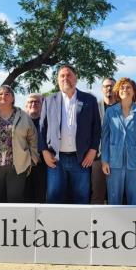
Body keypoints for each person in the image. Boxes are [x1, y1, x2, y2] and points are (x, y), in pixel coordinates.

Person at [40, 65, 101, 204]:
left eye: (69, 75)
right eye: (62, 76)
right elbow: (42, 128)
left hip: (81, 159)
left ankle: (81, 226)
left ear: (76, 78)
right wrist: (44, 151)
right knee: (54, 199)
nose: (65, 78)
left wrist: (93, 150)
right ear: (57, 80)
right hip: (56, 160)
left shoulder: (89, 100)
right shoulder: (49, 100)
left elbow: (96, 128)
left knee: (81, 199)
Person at [0, 86, 39, 203]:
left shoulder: (23, 116)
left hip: (17, 167)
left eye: (7, 94)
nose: (3, 96)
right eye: (0, 94)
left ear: (13, 98)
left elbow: (33, 139)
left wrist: (32, 160)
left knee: (15, 200)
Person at [101, 78, 136, 205]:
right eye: (122, 87)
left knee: (135, 200)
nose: (125, 90)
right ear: (117, 91)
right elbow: (105, 138)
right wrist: (104, 160)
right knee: (114, 200)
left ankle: (135, 224)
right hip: (113, 162)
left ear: (134, 91)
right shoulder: (110, 112)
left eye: (128, 87)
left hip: (135, 163)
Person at [92, 78, 117, 204]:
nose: (109, 89)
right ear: (102, 89)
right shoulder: (95, 107)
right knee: (97, 193)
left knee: (116, 194)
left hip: (118, 157)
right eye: (106, 86)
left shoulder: (123, 107)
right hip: (98, 156)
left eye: (112, 86)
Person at [25, 93, 46, 203]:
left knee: (41, 196)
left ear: (43, 105)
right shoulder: (19, 122)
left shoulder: (49, 122)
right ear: (26, 106)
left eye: (37, 102)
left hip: (43, 164)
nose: (33, 104)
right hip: (23, 165)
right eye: (30, 102)